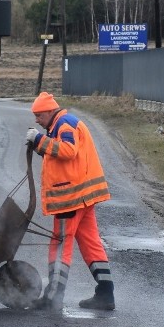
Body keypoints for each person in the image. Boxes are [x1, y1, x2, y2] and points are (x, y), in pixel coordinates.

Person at [26, 91, 115, 311]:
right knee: (91, 244)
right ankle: (106, 293)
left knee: (59, 245)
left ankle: (53, 297)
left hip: (71, 199)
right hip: (83, 198)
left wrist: (38, 139)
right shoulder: (62, 123)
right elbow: (57, 153)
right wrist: (40, 145)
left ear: (49, 111)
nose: (36, 120)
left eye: (38, 115)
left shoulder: (64, 124)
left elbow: (67, 150)